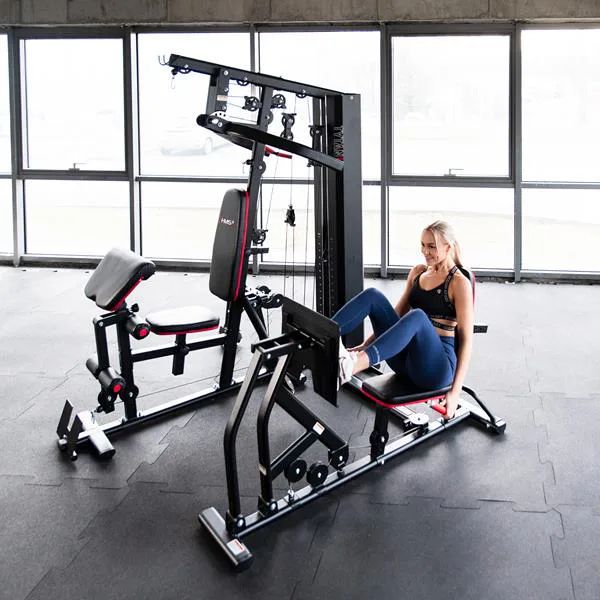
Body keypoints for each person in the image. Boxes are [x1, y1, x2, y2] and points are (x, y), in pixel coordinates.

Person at [333, 220, 473, 420]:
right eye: (422, 245)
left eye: (431, 246)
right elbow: (396, 316)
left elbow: (467, 341)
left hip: (435, 369)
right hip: (405, 362)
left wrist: (455, 392)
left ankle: (351, 367)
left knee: (417, 316)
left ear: (448, 248)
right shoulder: (418, 273)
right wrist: (365, 345)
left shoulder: (459, 283)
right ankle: (324, 337)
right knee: (373, 295)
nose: (425, 251)